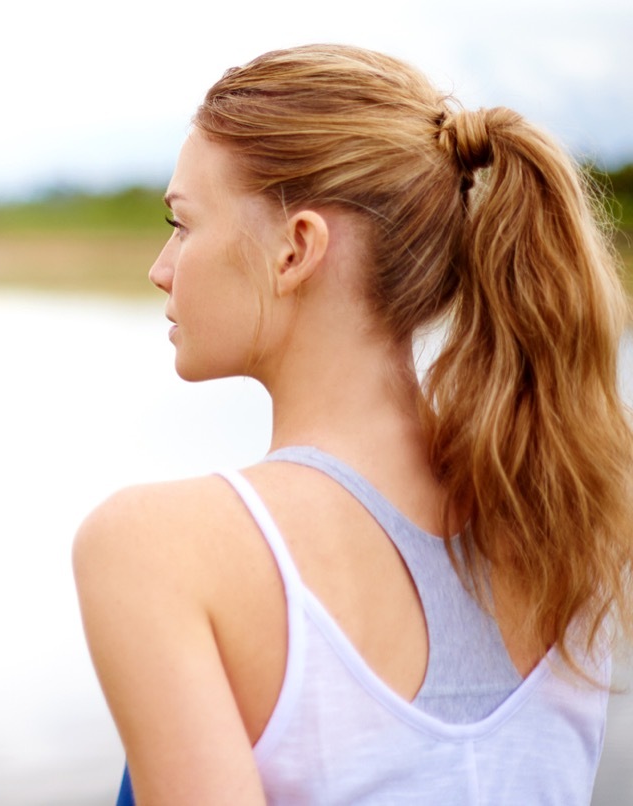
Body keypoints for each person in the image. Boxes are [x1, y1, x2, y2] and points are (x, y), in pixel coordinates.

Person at [73, 44, 633, 805]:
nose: (162, 267)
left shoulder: (159, 547)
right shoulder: (567, 516)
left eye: (182, 223)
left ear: (296, 248)